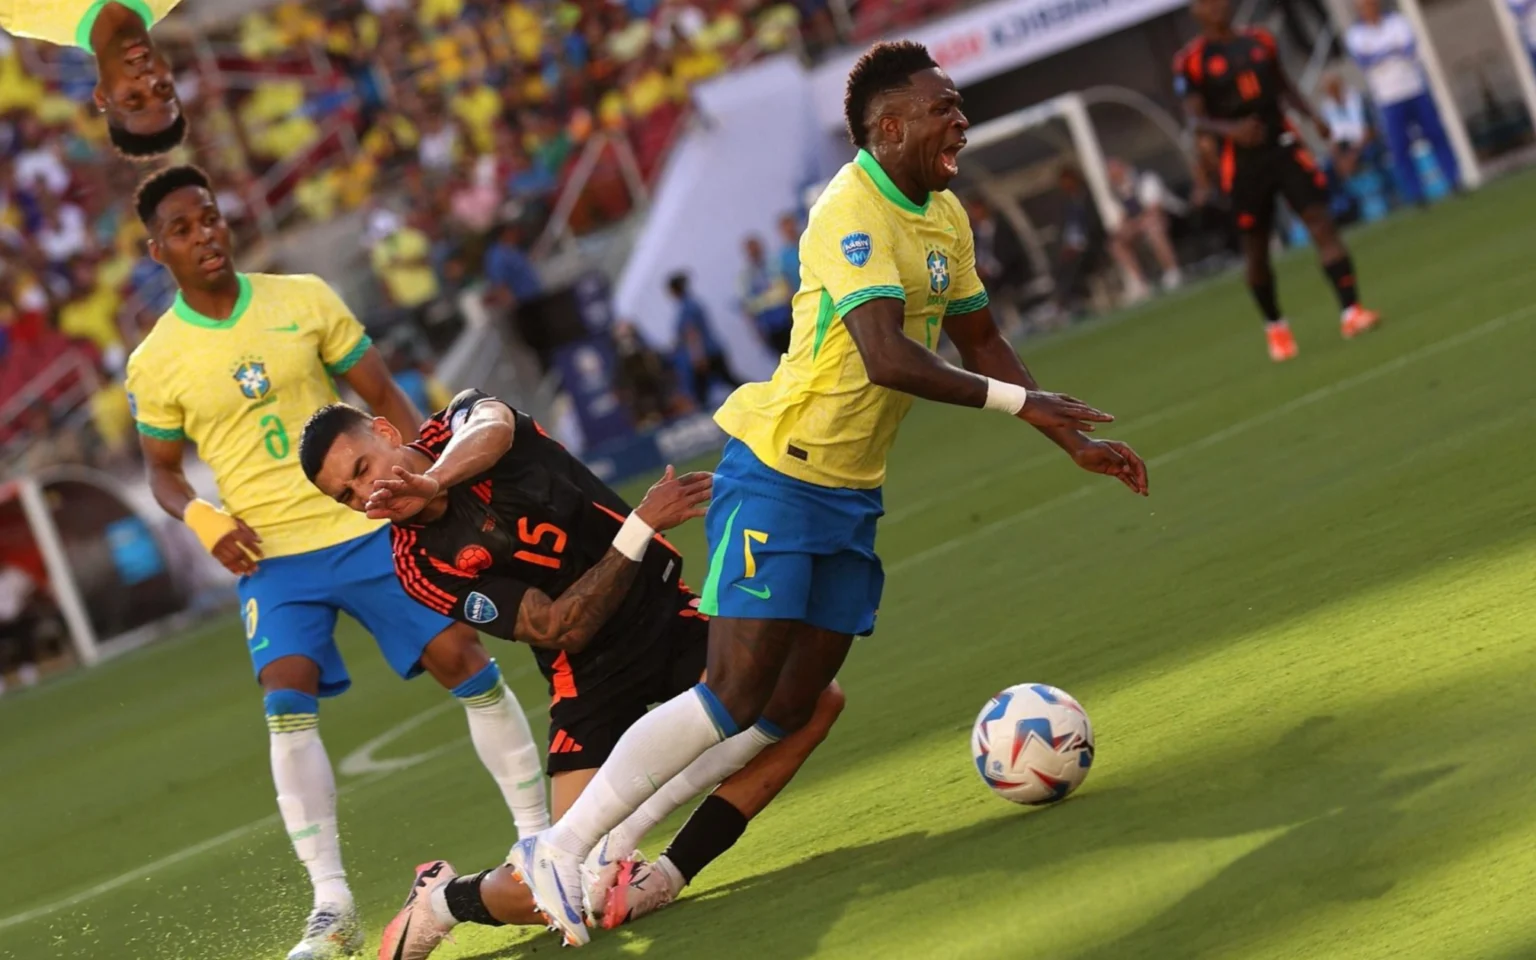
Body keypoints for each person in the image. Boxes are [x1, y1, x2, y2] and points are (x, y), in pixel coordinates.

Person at [508, 40, 1149, 948]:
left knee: (792, 705)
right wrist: (1023, 402)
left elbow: (985, 342)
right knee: (732, 690)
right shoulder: (847, 209)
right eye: (945, 108)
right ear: (889, 128)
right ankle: (565, 845)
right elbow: (887, 355)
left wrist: (1071, 440)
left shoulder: (946, 216)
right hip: (778, 472)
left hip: (848, 491)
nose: (960, 120)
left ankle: (639, 861)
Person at [122, 166, 548, 960]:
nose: (204, 234)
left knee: (466, 659)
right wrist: (205, 517)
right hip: (273, 559)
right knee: (285, 693)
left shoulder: (304, 296)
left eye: (210, 217)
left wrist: (429, 481)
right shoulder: (156, 361)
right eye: (183, 229)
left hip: (369, 526)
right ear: (158, 250)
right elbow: (162, 472)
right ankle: (332, 905)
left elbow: (385, 395)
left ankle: (540, 843)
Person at [298, 392, 844, 957]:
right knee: (569, 893)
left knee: (811, 700)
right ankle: (441, 899)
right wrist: (638, 528)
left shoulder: (462, 419)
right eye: (348, 495)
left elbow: (494, 426)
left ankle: (665, 878)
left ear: (387, 431)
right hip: (587, 676)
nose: (367, 493)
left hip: (665, 616)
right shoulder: (418, 565)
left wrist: (435, 482)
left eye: (362, 470)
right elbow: (561, 628)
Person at [1175, 0, 1383, 361]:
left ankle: (1352, 312)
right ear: (1197, 11)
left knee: (1320, 221)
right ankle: (1276, 327)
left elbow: (1284, 86)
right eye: (1208, 3)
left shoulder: (1260, 40)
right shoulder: (1192, 60)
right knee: (1256, 248)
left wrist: (1312, 115)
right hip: (1240, 161)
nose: (1218, 6)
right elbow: (1196, 120)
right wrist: (1232, 130)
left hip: (1283, 143)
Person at [0, 0, 187, 159]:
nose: (147, 80)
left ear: (101, 96)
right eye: (163, 87)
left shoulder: (21, 13)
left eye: (133, 97)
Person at [1344, 0, 1459, 207]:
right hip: (1388, 97)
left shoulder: (1396, 21)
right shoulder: (1356, 35)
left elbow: (1408, 48)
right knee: (1399, 148)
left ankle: (1453, 179)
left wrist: (1382, 54)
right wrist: (1390, 51)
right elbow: (1365, 61)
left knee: (1435, 134)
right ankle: (1416, 195)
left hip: (1414, 88)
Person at [1105, 157, 1184, 299]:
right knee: (1116, 244)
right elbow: (1125, 216)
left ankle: (1172, 271)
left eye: (1113, 172)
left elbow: (1155, 209)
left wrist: (1136, 224)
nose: (1111, 176)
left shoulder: (1145, 178)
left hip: (1172, 216)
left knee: (1153, 227)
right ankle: (1142, 283)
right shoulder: (1119, 191)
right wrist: (1123, 230)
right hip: (1142, 223)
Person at [667, 272, 743, 407]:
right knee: (725, 380)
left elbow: (692, 333)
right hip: (712, 350)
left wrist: (698, 356)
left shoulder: (686, 308)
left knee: (704, 389)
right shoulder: (693, 303)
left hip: (706, 354)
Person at [738, 234, 794, 356]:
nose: (754, 252)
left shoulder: (776, 264)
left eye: (755, 248)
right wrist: (756, 331)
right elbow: (748, 307)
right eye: (750, 250)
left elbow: (787, 289)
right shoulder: (746, 277)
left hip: (787, 318)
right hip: (769, 326)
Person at [1319, 72, 1373, 179]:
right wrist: (1338, 157)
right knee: (1326, 167)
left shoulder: (1358, 99)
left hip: (1363, 143)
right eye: (1329, 91)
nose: (1332, 93)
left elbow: (1370, 130)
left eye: (1334, 88)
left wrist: (1353, 155)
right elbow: (1332, 138)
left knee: (1365, 155)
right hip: (1344, 145)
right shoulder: (1327, 108)